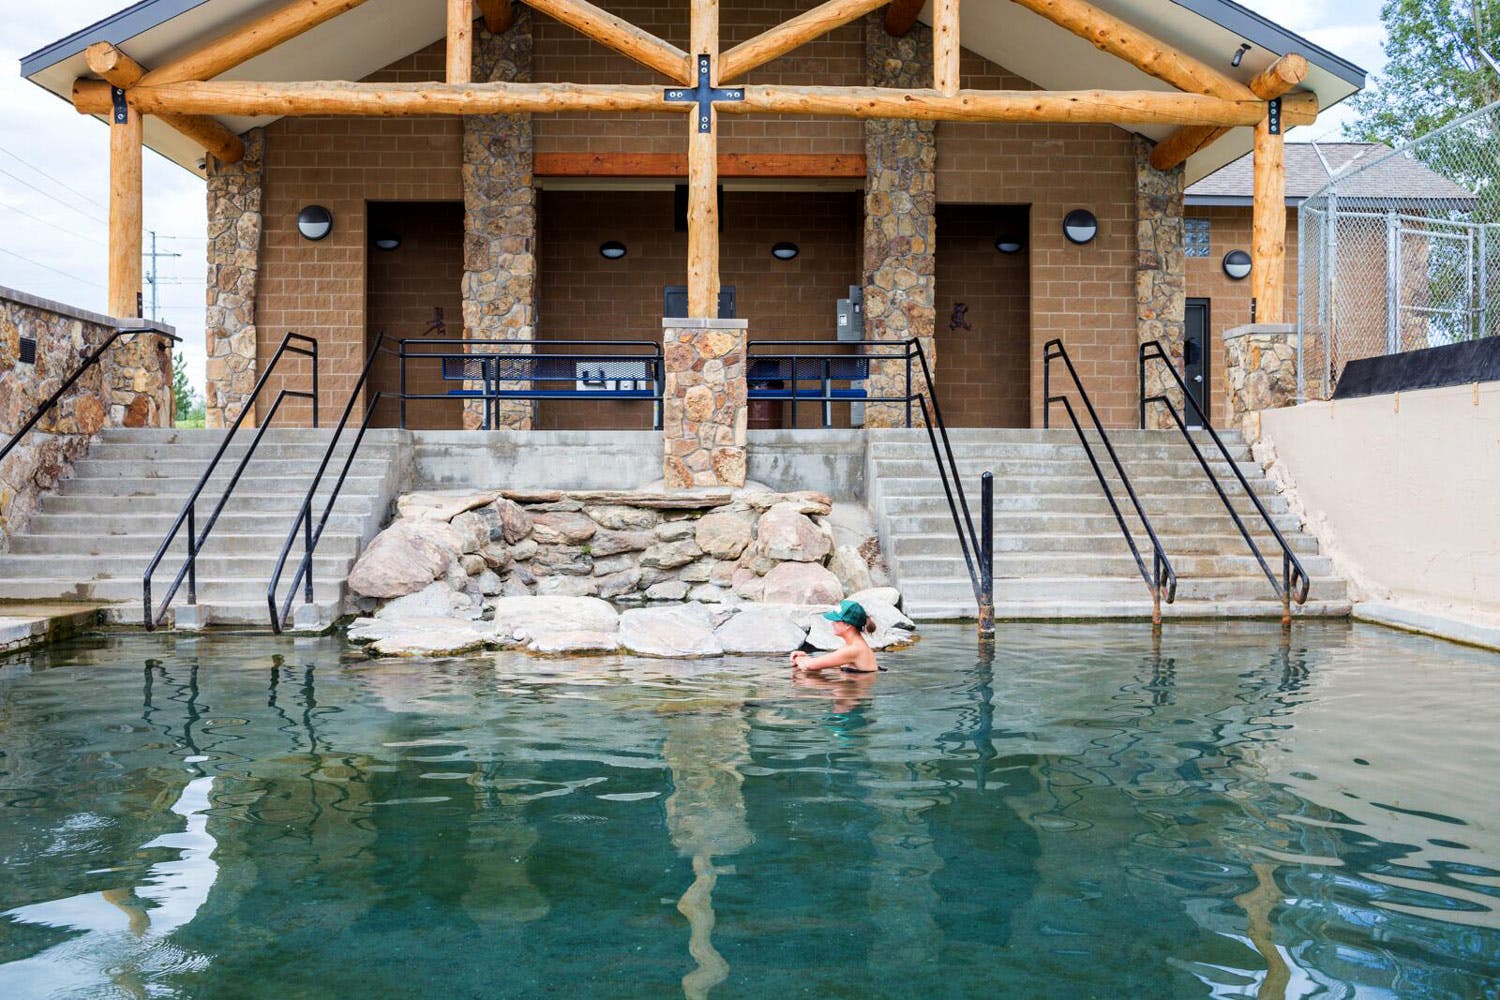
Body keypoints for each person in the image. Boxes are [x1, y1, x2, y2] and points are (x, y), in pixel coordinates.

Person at [790, 600, 881, 675]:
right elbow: (821, 663)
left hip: (853, 690)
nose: (832, 623)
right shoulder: (852, 646)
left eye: (836, 620)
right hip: (851, 688)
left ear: (848, 625)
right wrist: (805, 657)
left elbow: (809, 666)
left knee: (805, 680)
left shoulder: (854, 649)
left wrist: (797, 658)